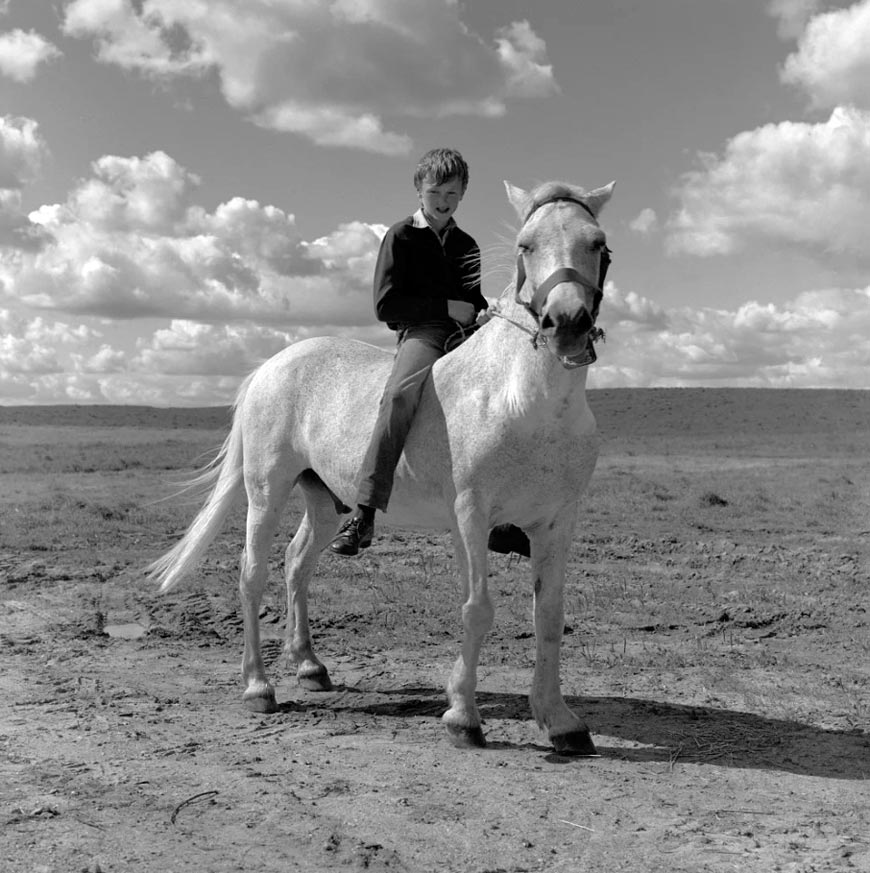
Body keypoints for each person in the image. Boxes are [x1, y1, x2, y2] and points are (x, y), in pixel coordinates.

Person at [330, 147, 530, 559]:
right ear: (419, 190)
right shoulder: (400, 236)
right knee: (400, 395)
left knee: (511, 392)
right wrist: (443, 309)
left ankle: (504, 520)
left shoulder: (466, 244)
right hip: (422, 333)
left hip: (468, 331)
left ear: (462, 195)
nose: (443, 201)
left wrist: (484, 309)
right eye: (436, 191)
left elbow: (471, 298)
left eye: (453, 194)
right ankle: (364, 512)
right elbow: (386, 306)